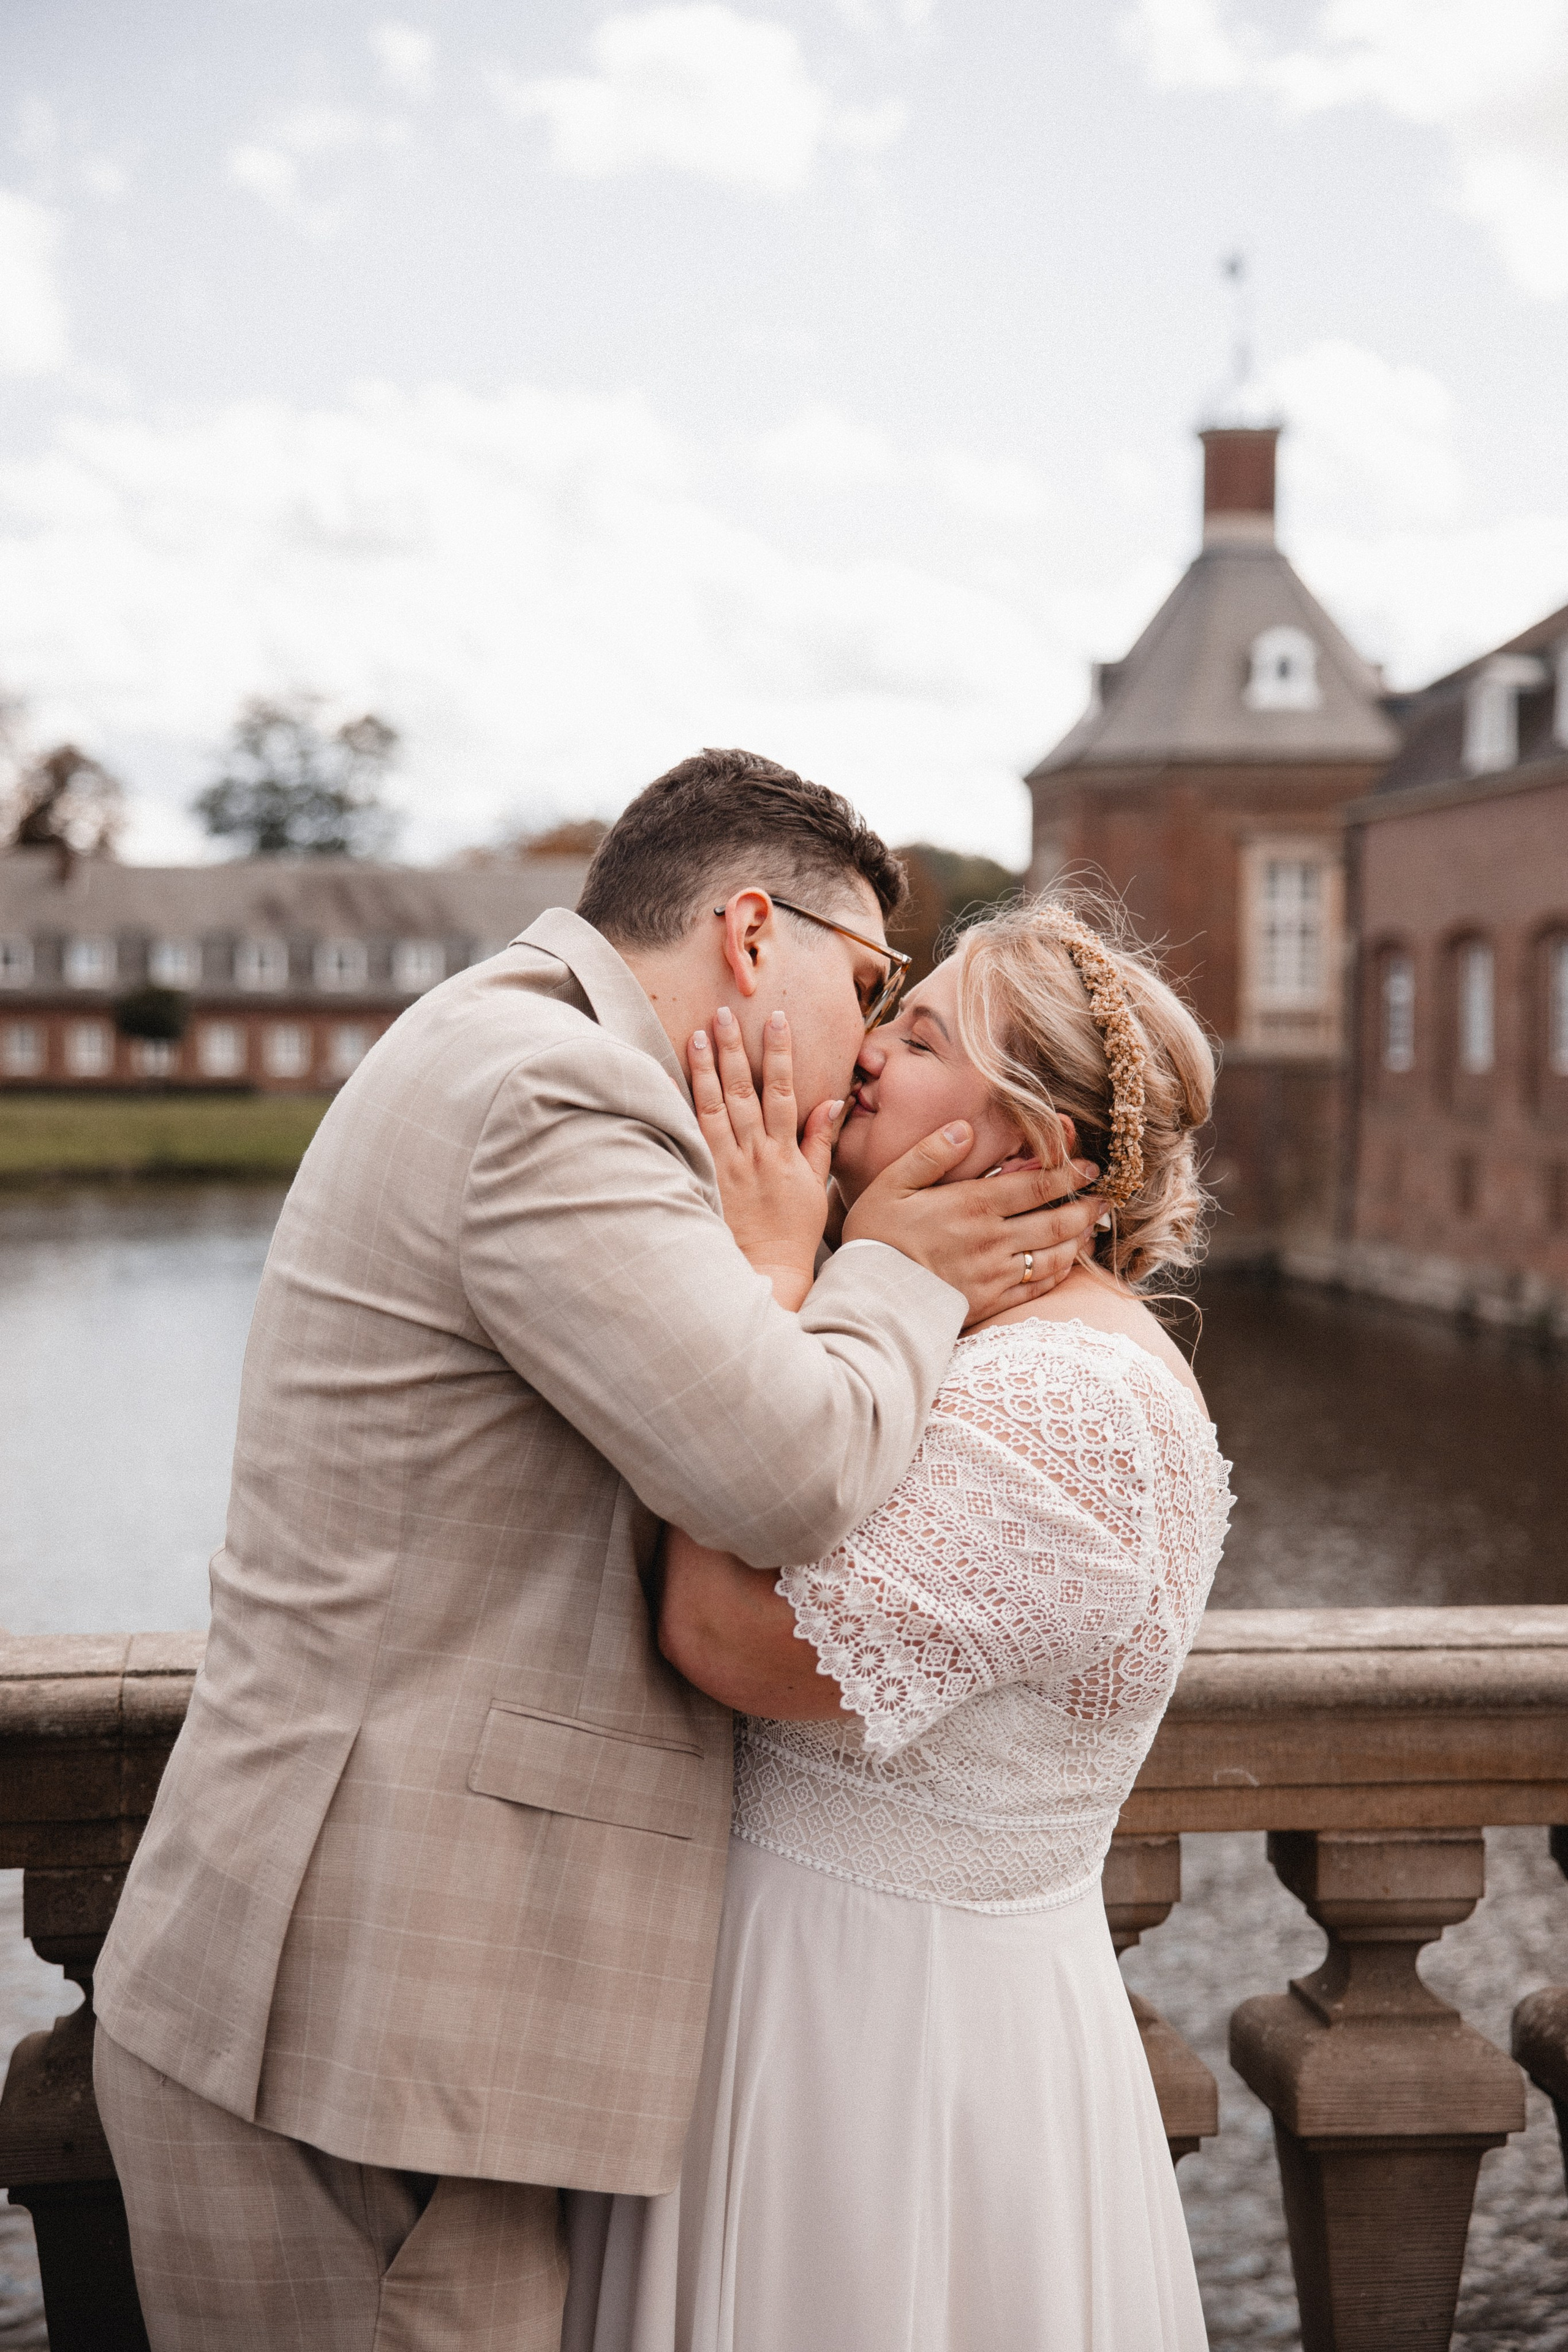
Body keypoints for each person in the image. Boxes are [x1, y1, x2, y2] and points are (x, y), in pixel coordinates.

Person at [91, 749, 1102, 2352]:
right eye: (870, 984)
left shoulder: (502, 1041)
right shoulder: (554, 1090)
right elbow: (786, 1473)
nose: (864, 1051)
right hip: (358, 2039)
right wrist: (900, 1271)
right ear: (753, 935)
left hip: (370, 2018)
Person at [562, 897, 1233, 2352]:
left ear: (1030, 1145)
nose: (864, 1052)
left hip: (883, 2040)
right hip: (825, 1994)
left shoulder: (1070, 1400)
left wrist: (763, 1279)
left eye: (918, 1038)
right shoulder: (983, 1341)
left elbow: (725, 1638)